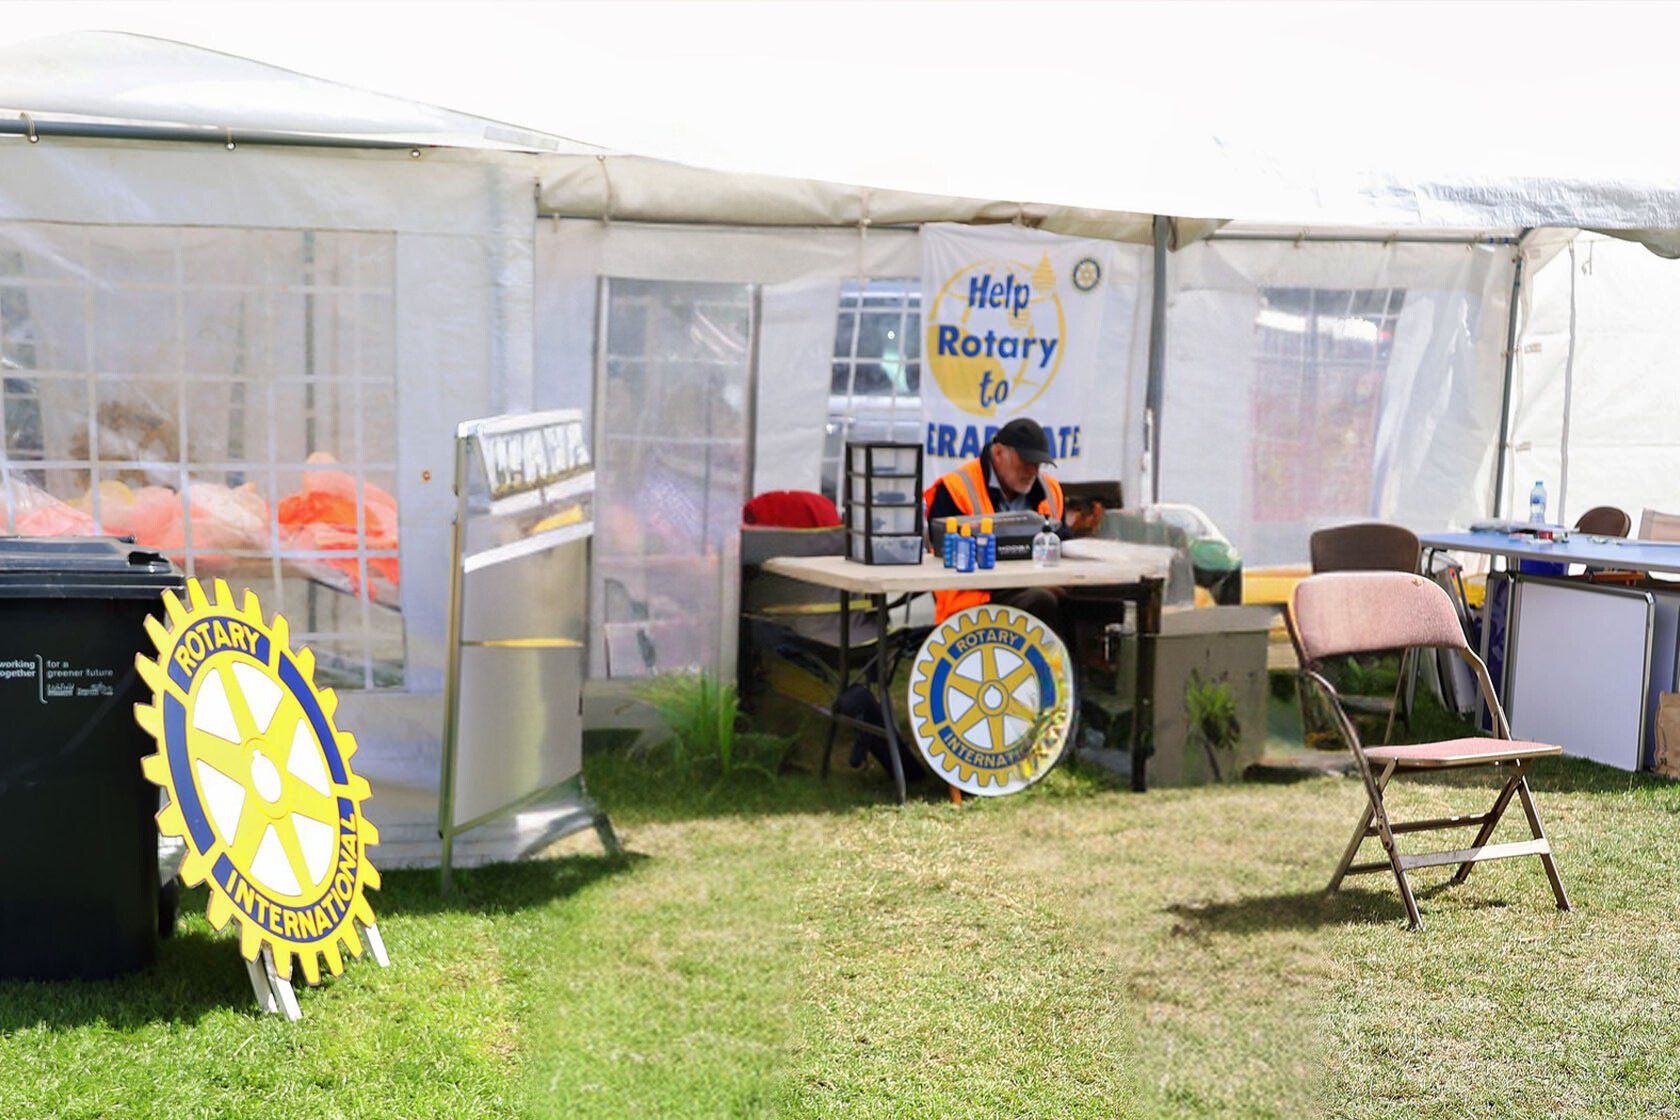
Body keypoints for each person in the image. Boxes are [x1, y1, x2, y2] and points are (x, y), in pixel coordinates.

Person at [923, 417, 1066, 633]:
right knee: (1041, 599)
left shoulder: (1051, 490)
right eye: (1026, 462)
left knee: (1085, 597)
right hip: (973, 595)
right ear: (998, 453)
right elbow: (944, 558)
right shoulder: (955, 489)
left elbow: (1066, 542)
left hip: (1035, 584)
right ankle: (1048, 665)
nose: (1033, 471)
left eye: (1038, 464)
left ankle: (1074, 665)